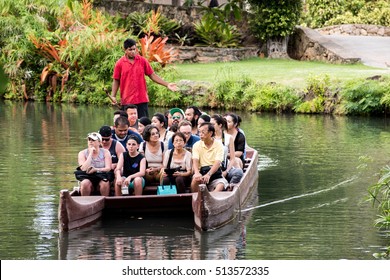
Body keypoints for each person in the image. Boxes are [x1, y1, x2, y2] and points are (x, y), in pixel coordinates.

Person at [110, 38, 178, 118]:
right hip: (127, 100)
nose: (133, 51)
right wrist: (113, 96)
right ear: (125, 50)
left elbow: (152, 75)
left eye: (134, 49)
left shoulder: (142, 61)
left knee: (144, 123)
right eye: (130, 50)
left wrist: (167, 84)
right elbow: (116, 80)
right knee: (128, 125)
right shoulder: (120, 63)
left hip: (142, 99)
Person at [191, 122, 228, 192]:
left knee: (220, 185)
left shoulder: (218, 145)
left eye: (203, 132)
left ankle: (212, 199)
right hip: (201, 172)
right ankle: (196, 199)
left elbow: (218, 162)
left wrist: (209, 174)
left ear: (210, 133)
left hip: (215, 173)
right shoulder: (196, 145)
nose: (200, 134)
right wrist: (196, 172)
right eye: (199, 132)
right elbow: (195, 160)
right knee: (195, 179)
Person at [210, 114, 243, 186]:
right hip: (211, 167)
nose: (210, 126)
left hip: (224, 167)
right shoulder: (208, 137)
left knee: (239, 172)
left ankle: (230, 186)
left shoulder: (228, 138)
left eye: (213, 124)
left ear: (220, 125)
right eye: (210, 124)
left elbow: (232, 158)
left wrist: (226, 171)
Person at [77, 132, 112, 196]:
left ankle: (105, 202)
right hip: (88, 176)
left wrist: (96, 169)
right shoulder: (82, 153)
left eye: (93, 140)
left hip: (101, 176)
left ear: (99, 142)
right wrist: (90, 154)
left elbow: (108, 168)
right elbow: (83, 168)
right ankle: (85, 203)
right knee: (85, 183)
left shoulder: (105, 152)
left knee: (105, 183)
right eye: (89, 140)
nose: (90, 142)